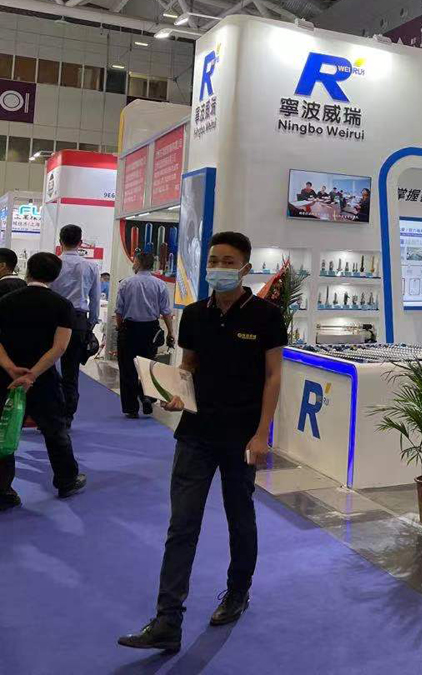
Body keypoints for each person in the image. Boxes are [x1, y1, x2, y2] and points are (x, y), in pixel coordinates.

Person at [119, 232, 286, 653]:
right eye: (214, 260)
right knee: (182, 525)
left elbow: (273, 377)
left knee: (239, 517)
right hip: (195, 433)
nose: (219, 268)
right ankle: (167, 619)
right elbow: (188, 366)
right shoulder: (194, 314)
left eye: (228, 261)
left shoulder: (266, 316)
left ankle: (237, 592)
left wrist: (262, 433)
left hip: (241, 436)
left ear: (245, 268)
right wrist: (176, 393)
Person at [0, 252, 87, 511]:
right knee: (55, 430)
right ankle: (66, 480)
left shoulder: (5, 301)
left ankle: (3, 491)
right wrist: (32, 375)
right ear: (55, 276)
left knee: (4, 432)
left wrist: (11, 368)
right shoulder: (62, 305)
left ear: (28, 271)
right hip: (43, 379)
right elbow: (59, 347)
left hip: (6, 378)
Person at [115, 251, 176, 418]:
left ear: (138, 263)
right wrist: (170, 333)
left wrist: (120, 328)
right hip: (151, 330)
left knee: (127, 368)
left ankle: (131, 408)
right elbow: (166, 312)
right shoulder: (160, 285)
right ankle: (147, 396)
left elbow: (119, 311)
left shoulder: (126, 283)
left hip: (129, 329)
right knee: (148, 366)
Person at [50, 224, 101, 423]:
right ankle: (68, 414)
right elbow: (95, 298)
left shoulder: (53, 263)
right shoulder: (90, 266)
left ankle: (48, 410)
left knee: (45, 366)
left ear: (60, 241)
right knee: (71, 370)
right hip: (78, 318)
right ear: (80, 242)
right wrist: (91, 323)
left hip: (53, 317)